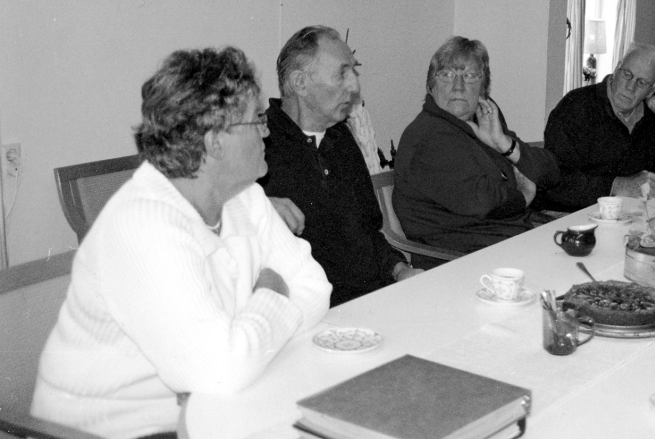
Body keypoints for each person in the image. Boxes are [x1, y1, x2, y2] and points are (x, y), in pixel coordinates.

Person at [31, 47, 331, 439]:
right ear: (214, 141)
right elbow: (219, 371)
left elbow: (315, 288)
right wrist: (272, 292)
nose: (268, 131)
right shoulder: (144, 224)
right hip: (111, 430)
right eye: (257, 119)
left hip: (218, 408)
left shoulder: (244, 195)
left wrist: (246, 342)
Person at [259, 26, 421, 307]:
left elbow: (368, 232)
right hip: (311, 313)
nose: (355, 87)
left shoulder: (340, 137)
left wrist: (400, 270)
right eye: (341, 73)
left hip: (372, 300)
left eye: (353, 72)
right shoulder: (259, 144)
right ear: (300, 83)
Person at [392, 36, 560, 267]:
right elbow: (480, 201)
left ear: (483, 88)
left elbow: (551, 173)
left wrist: (504, 144)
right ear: (431, 86)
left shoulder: (484, 118)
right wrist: (523, 194)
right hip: (460, 260)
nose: (458, 86)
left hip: (510, 243)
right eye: (447, 75)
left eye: (470, 76)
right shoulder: (429, 136)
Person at [539, 43, 655, 212]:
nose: (630, 87)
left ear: (652, 90)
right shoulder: (576, 106)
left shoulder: (652, 117)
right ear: (617, 69)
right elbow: (554, 181)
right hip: (570, 215)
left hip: (632, 215)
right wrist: (617, 185)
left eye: (641, 82)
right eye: (627, 75)